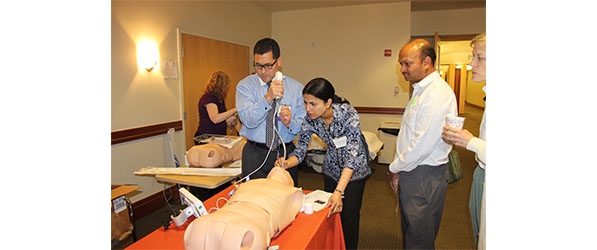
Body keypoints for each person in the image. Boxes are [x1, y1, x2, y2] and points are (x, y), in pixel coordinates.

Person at [275, 77, 371, 249]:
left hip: (354, 172)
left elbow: (352, 156)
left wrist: (339, 192)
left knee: (348, 218)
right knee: (331, 215)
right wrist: (287, 163)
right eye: (305, 103)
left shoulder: (348, 114)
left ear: (328, 102)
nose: (308, 109)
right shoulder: (310, 119)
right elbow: (301, 149)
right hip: (332, 169)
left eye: (313, 104)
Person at [387, 39, 457, 249]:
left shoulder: (436, 94)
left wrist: (394, 168)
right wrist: (400, 168)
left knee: (420, 238)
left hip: (424, 176)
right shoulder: (421, 89)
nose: (402, 70)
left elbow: (421, 144)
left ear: (426, 62)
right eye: (401, 64)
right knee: (412, 233)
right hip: (414, 170)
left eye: (407, 63)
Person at [235, 38, 306, 186]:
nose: (263, 71)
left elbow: (303, 126)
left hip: (286, 153)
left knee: (285, 200)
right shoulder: (245, 86)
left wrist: (289, 123)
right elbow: (248, 120)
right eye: (258, 66)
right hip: (255, 153)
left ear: (278, 61)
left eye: (268, 65)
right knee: (255, 200)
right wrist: (268, 97)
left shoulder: (296, 89)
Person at [442, 32, 486, 249]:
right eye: (472, 56)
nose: (471, 64)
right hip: (481, 172)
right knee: (480, 232)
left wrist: (472, 142)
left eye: (479, 57)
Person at [194, 71, 239, 143]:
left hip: (217, 137)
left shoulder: (219, 99)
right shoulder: (209, 98)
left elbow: (218, 120)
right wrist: (236, 109)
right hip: (207, 138)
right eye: (225, 84)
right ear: (219, 84)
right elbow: (215, 119)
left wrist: (227, 122)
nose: (227, 87)